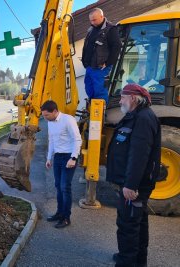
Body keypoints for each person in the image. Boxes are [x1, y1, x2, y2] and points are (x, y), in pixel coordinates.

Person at [106, 84, 161, 267]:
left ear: (134, 98)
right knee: (137, 223)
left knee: (128, 225)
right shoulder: (135, 116)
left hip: (134, 185)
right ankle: (137, 261)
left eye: (123, 97)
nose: (120, 100)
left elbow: (139, 155)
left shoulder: (144, 118)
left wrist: (130, 185)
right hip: (132, 182)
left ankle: (126, 261)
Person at [41, 100, 82, 228]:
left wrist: (74, 158)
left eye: (47, 115)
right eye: (43, 116)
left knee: (65, 187)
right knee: (58, 186)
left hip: (69, 157)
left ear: (54, 111)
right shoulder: (50, 123)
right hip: (58, 157)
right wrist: (49, 158)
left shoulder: (68, 120)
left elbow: (77, 139)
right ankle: (59, 213)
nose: (45, 118)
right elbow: (51, 140)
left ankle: (66, 218)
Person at [82, 8, 122, 104]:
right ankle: (93, 107)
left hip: (101, 66)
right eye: (91, 20)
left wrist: (108, 63)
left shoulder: (111, 29)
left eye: (94, 20)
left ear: (102, 16)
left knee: (99, 90)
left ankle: (101, 113)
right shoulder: (91, 29)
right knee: (89, 88)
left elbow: (117, 46)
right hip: (89, 66)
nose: (92, 22)